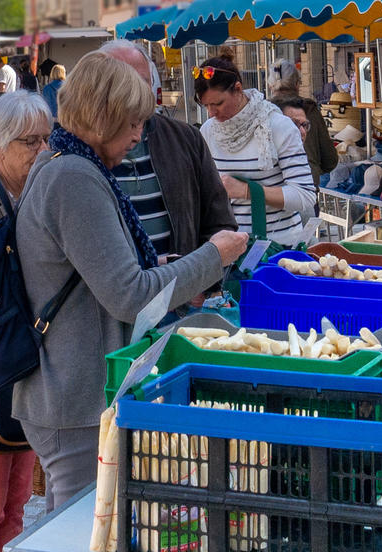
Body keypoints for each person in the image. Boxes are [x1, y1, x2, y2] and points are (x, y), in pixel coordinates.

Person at [13, 52, 248, 511]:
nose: (140, 135)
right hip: (75, 396)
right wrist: (211, 258)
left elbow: (101, 275)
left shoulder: (67, 164)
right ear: (102, 118)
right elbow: (130, 296)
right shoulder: (73, 177)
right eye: (133, 122)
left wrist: (164, 264)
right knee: (84, 526)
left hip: (71, 390)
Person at [98, 40, 237, 266]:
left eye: (141, 81)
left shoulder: (185, 138)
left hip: (182, 293)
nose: (134, 91)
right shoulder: (83, 150)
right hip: (114, 296)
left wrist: (205, 282)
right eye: (123, 82)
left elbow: (218, 220)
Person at [0, 90, 52, 552]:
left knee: (13, 508)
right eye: (29, 141)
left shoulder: (20, 196)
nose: (41, 152)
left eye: (46, 140)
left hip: (16, 371)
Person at [195, 52, 316, 245]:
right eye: (206, 105)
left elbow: (305, 196)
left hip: (278, 247)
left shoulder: (278, 126)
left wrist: (247, 191)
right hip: (228, 247)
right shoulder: (208, 131)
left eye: (218, 103)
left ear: (238, 89)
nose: (212, 113)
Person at [268, 59, 338, 189]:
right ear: (297, 84)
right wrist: (313, 167)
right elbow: (330, 160)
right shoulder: (310, 111)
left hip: (270, 191)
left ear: (270, 86)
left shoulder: (263, 113)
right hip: (306, 186)